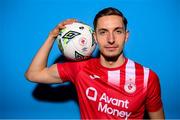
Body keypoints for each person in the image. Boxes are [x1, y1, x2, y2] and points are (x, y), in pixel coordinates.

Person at [25, 7, 165, 119]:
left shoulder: (148, 78)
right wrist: (52, 36)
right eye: (103, 32)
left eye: (118, 31)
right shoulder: (80, 69)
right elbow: (33, 74)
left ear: (126, 36)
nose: (111, 39)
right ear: (95, 37)